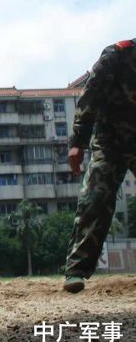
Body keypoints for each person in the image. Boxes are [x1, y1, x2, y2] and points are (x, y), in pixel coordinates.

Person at [63, 39, 136, 293]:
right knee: (96, 197)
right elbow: (90, 95)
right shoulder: (118, 55)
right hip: (110, 140)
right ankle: (76, 271)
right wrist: (77, 142)